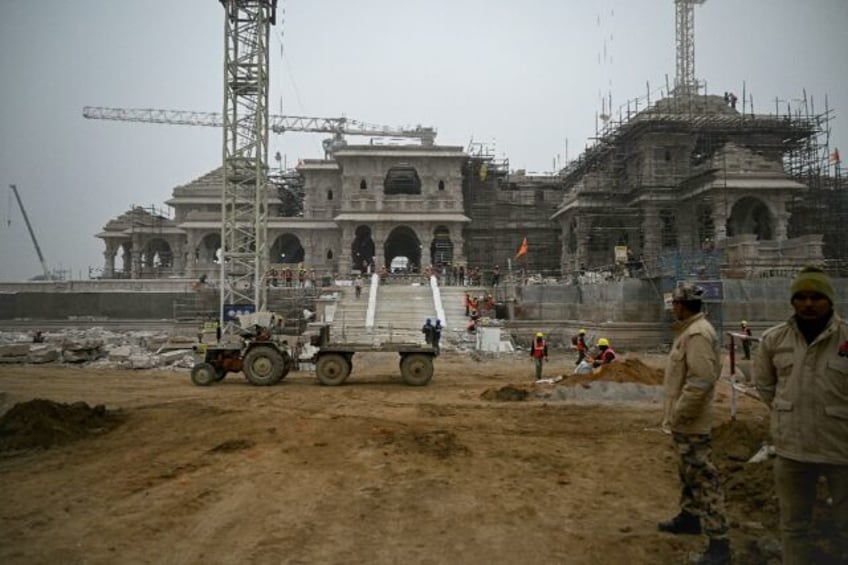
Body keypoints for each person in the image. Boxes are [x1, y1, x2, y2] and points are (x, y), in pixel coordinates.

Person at [754, 266, 848, 564]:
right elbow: (766, 386)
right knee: (794, 527)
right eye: (802, 297)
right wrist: (789, 413)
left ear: (830, 301)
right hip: (791, 451)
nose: (808, 304)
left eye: (816, 297)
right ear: (793, 301)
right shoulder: (774, 339)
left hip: (841, 451)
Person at [658, 282, 730, 565]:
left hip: (691, 420)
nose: (673, 308)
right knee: (687, 472)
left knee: (703, 478)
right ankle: (690, 517)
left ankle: (719, 543)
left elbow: (701, 380)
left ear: (680, 305)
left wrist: (680, 414)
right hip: (686, 420)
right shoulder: (691, 332)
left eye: (674, 304)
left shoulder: (697, 334)